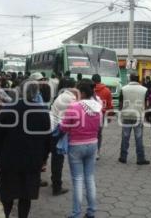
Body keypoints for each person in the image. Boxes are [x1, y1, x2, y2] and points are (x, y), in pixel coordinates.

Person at [0, 80, 52, 218]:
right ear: (36, 93)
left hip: (9, 160)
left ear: (20, 91)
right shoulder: (43, 111)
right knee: (26, 196)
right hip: (32, 160)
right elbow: (47, 138)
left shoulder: (8, 109)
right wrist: (44, 158)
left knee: (7, 195)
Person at [60, 79, 101, 218]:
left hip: (76, 145)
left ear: (82, 92)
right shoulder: (98, 106)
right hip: (93, 144)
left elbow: (64, 127)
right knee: (90, 178)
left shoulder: (74, 106)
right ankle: (91, 211)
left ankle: (76, 213)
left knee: (77, 179)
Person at [47, 78, 78, 196]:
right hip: (57, 130)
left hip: (52, 128)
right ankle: (56, 187)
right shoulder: (70, 98)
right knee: (58, 160)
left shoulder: (62, 95)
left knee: (56, 158)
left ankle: (54, 181)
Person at [118, 73, 150, 165]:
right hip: (138, 116)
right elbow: (146, 104)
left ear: (130, 79)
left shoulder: (123, 89)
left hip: (126, 115)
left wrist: (121, 110)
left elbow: (120, 103)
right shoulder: (144, 90)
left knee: (125, 137)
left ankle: (123, 157)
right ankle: (140, 159)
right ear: (138, 79)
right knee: (139, 138)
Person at [92, 74, 113, 159]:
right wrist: (109, 116)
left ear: (92, 81)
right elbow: (109, 105)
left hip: (90, 114)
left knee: (91, 133)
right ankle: (97, 152)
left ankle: (91, 151)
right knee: (99, 134)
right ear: (100, 80)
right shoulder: (107, 90)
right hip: (102, 114)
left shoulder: (90, 89)